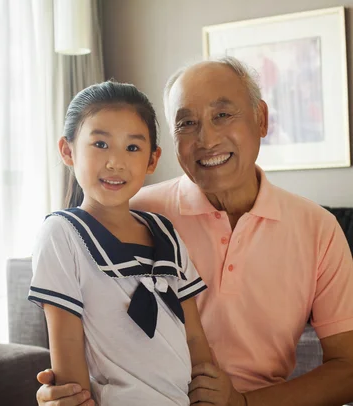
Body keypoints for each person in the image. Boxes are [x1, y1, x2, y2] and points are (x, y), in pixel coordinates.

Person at [35, 57, 353, 406]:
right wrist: (61, 393)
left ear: (261, 118)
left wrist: (242, 404)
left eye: (222, 115)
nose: (207, 138)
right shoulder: (132, 211)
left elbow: (347, 368)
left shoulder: (318, 228)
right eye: (187, 123)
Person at [28, 81, 213, 405]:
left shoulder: (165, 232)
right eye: (100, 144)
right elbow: (67, 346)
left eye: (132, 148)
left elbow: (195, 336)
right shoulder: (62, 234)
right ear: (68, 150)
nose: (115, 162)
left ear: (152, 160)